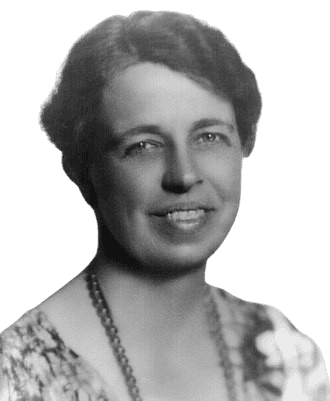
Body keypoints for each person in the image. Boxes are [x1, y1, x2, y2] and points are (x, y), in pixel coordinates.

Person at [0, 10, 328, 401]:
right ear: (83, 168)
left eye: (208, 136)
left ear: (244, 144)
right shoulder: (15, 376)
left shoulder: (284, 350)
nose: (184, 175)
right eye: (143, 146)